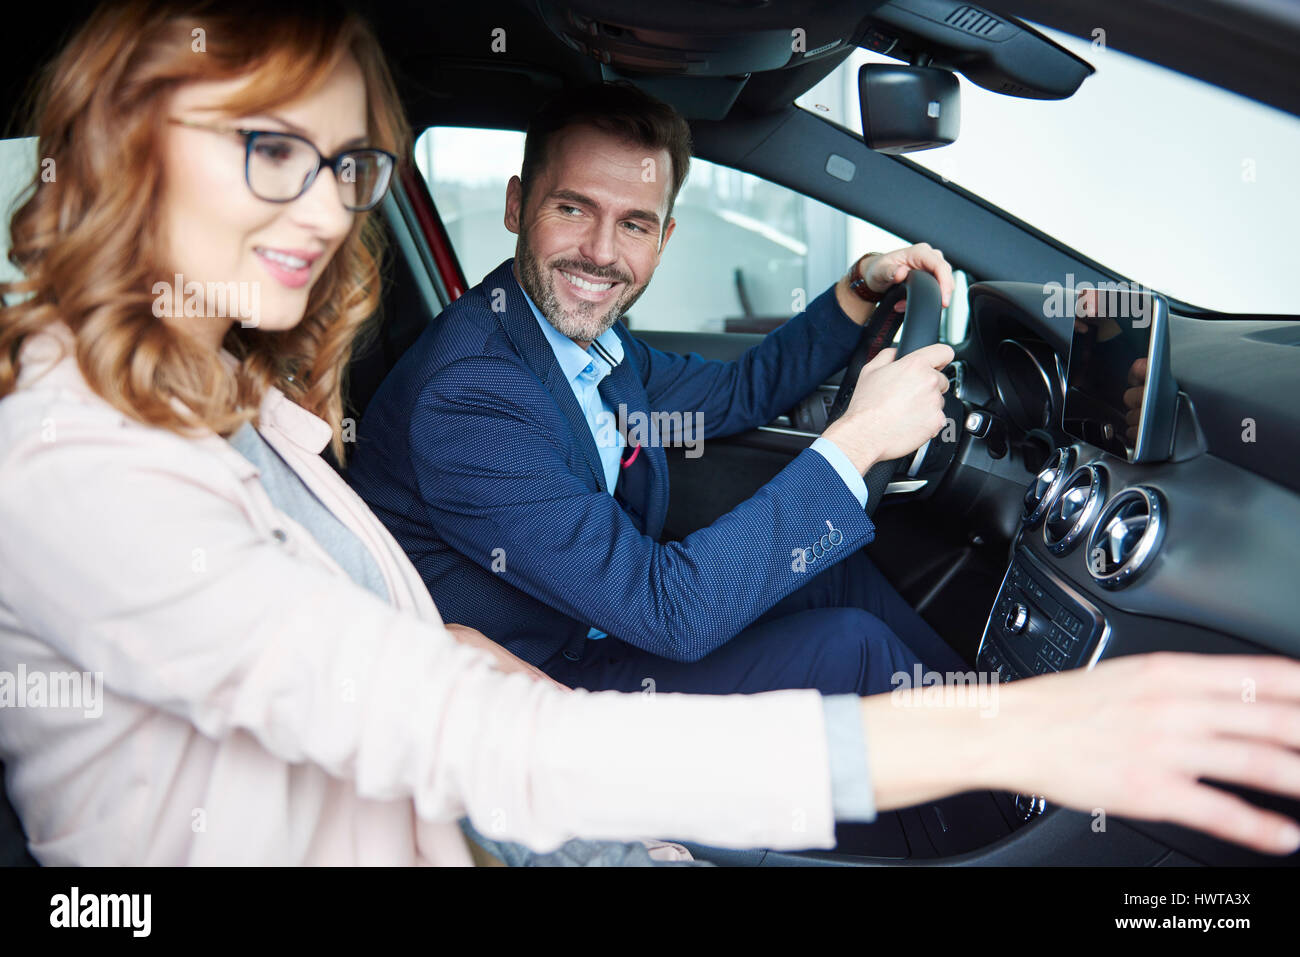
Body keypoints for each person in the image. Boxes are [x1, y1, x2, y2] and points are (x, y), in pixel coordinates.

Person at [2, 0, 1299, 866]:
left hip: (491, 729)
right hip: (510, 751)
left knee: (841, 587)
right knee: (849, 634)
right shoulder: (93, 465)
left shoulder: (266, 389)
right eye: (265, 148)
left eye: (347, 167)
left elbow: (711, 398)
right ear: (124, 146)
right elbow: (570, 677)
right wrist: (1008, 727)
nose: (323, 210)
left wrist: (848, 309)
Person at [346, 81, 968, 698]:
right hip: (536, 683)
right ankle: (1008, 778)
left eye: (635, 225)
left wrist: (860, 286)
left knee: (835, 578)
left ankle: (993, 722)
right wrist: (861, 439)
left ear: (663, 240)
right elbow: (668, 611)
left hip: (598, 621)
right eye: (572, 209)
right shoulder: (471, 395)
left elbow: (738, 391)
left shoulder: (592, 347)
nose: (599, 253)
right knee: (852, 649)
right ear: (516, 206)